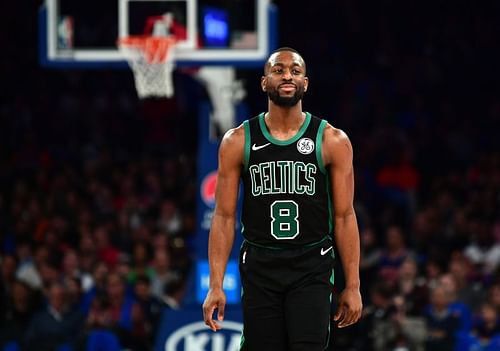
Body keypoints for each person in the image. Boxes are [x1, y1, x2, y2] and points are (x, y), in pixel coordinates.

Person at [202, 47, 362, 350]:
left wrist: (353, 284)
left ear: (305, 83)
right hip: (261, 265)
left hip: (311, 264)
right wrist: (215, 284)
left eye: (295, 70)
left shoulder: (331, 140)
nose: (287, 75)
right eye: (278, 70)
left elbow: (344, 216)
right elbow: (223, 216)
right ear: (264, 82)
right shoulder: (238, 140)